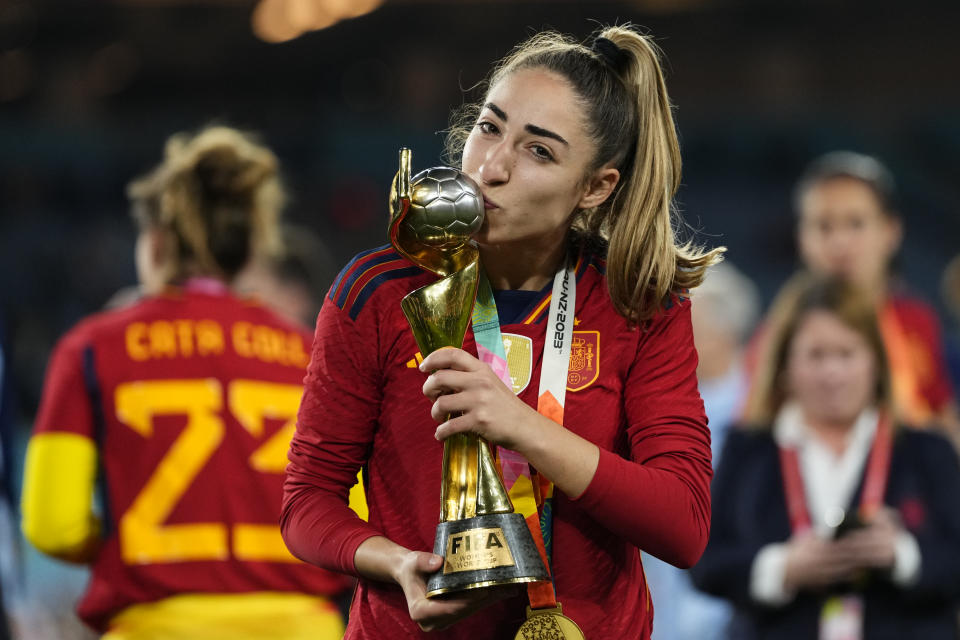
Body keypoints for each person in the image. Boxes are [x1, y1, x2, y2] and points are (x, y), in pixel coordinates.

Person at [282, 24, 724, 639]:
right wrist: (396, 564)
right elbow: (306, 504)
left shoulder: (639, 305)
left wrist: (522, 425)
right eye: (489, 128)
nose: (490, 168)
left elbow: (683, 525)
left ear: (596, 187)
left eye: (538, 151)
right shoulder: (379, 290)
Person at [20, 126, 352, 639]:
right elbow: (354, 518)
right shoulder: (315, 356)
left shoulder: (91, 349)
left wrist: (120, 546)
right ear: (251, 248)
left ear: (155, 242)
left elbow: (53, 524)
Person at [692, 274, 960, 639]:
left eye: (847, 354)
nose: (832, 372)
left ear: (877, 363)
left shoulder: (927, 451)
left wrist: (900, 553)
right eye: (816, 355)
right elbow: (704, 563)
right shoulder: (746, 451)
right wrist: (782, 568)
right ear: (785, 365)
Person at [790, 151, 958, 431]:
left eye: (856, 223)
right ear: (802, 238)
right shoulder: (782, 332)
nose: (839, 242)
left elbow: (940, 415)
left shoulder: (917, 320)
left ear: (891, 231)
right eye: (823, 226)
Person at [643, 262, 759, 640]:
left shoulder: (759, 409)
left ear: (723, 335)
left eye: (685, 325)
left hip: (737, 604)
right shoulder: (656, 403)